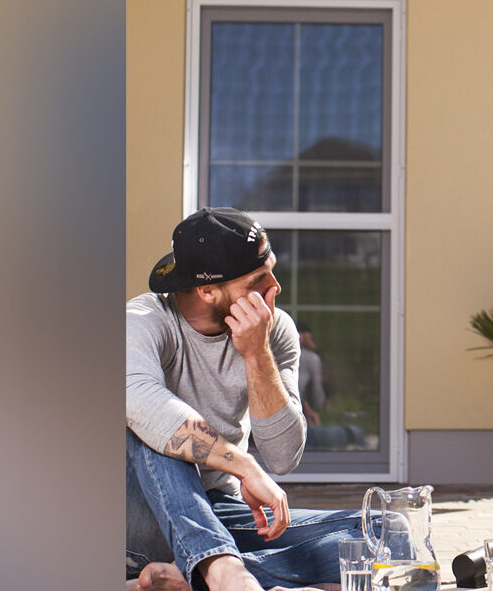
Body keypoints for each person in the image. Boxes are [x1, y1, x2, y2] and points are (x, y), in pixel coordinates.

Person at [126, 207, 364, 591]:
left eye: (271, 268)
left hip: (215, 510)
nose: (275, 286)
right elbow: (141, 402)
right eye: (258, 279)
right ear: (207, 291)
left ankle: (192, 577)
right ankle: (223, 573)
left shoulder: (275, 328)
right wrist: (245, 467)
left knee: (382, 531)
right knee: (150, 425)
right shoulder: (144, 321)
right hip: (134, 519)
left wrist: (256, 354)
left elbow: (284, 457)